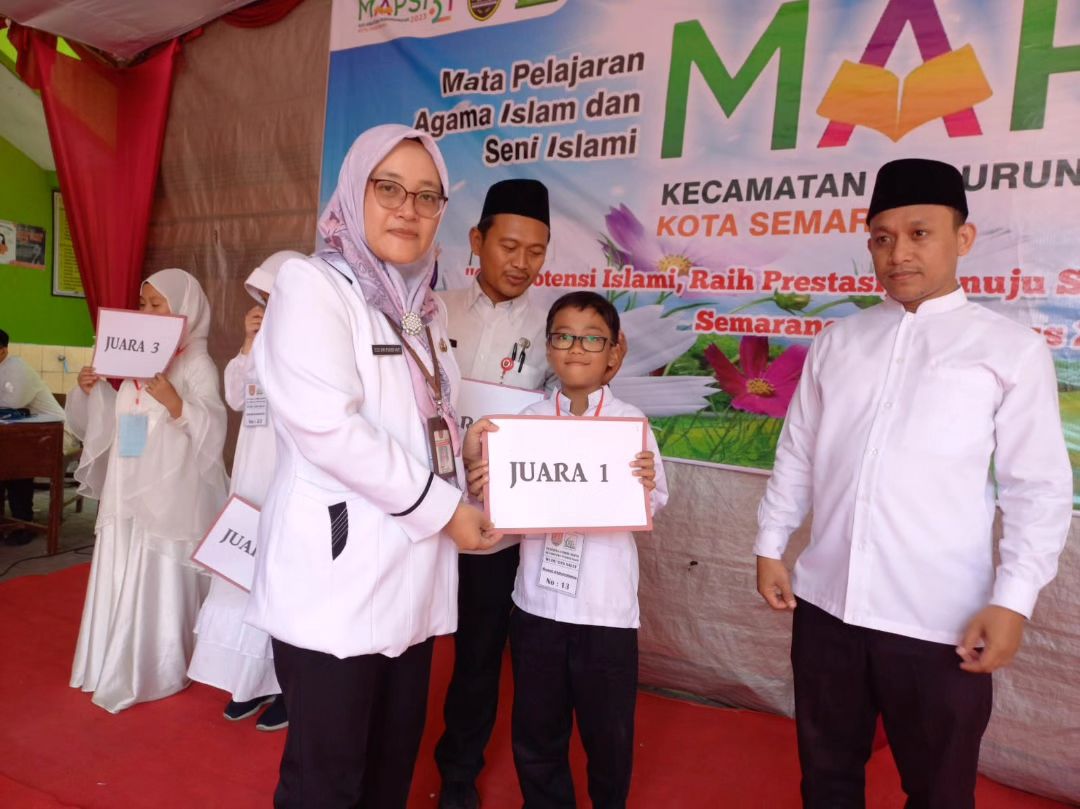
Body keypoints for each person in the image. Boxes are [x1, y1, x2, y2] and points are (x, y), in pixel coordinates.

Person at [754, 158, 1073, 808]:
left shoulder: (1009, 349)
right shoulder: (839, 342)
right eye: (882, 237)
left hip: (938, 622)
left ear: (963, 237)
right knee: (827, 777)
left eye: (920, 233)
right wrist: (770, 543)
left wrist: (1013, 601)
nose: (898, 253)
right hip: (826, 607)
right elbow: (798, 452)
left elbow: (1036, 490)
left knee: (938, 791)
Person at [246, 124, 499, 809]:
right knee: (326, 786)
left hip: (409, 583)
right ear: (355, 192)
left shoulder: (424, 310)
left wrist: (469, 450)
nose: (408, 209)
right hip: (337, 581)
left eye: (427, 195)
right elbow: (330, 428)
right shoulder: (311, 286)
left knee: (390, 776)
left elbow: (421, 420)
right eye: (389, 189)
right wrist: (447, 510)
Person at [464, 290, 667, 809]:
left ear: (614, 352)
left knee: (609, 737)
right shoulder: (523, 424)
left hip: (605, 614)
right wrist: (484, 488)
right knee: (537, 734)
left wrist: (645, 483)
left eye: (592, 338)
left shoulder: (631, 424)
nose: (577, 347)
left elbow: (655, 501)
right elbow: (501, 517)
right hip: (537, 610)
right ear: (548, 347)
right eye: (564, 336)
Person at [434, 178, 555, 809]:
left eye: (536, 251)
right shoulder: (430, 313)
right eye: (509, 246)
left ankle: (458, 773)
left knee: (479, 656)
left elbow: (560, 422)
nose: (521, 263)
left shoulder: (551, 329)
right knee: (398, 647)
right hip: (419, 511)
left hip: (491, 526)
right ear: (477, 240)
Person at [65, 269, 228, 713]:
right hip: (128, 481)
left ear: (185, 309)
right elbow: (113, 422)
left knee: (156, 562)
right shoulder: (132, 361)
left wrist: (176, 402)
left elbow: (213, 426)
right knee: (123, 552)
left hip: (169, 492)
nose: (148, 312)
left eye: (158, 304)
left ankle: (154, 664)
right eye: (143, 304)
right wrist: (93, 391)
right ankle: (109, 654)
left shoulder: (196, 363)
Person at [187, 250, 303, 731]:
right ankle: (248, 681)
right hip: (252, 474)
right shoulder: (258, 342)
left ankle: (288, 686)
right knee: (242, 577)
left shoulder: (313, 342)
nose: (267, 305)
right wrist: (248, 343)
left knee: (283, 581)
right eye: (264, 297)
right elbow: (237, 397)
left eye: (277, 296)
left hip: (290, 476)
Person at [0, 327, 77, 545]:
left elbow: (13, 403)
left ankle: (23, 523)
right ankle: (7, 521)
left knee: (16, 464)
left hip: (55, 434)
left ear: (3, 351)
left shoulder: (16, 366)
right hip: (22, 435)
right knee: (8, 457)